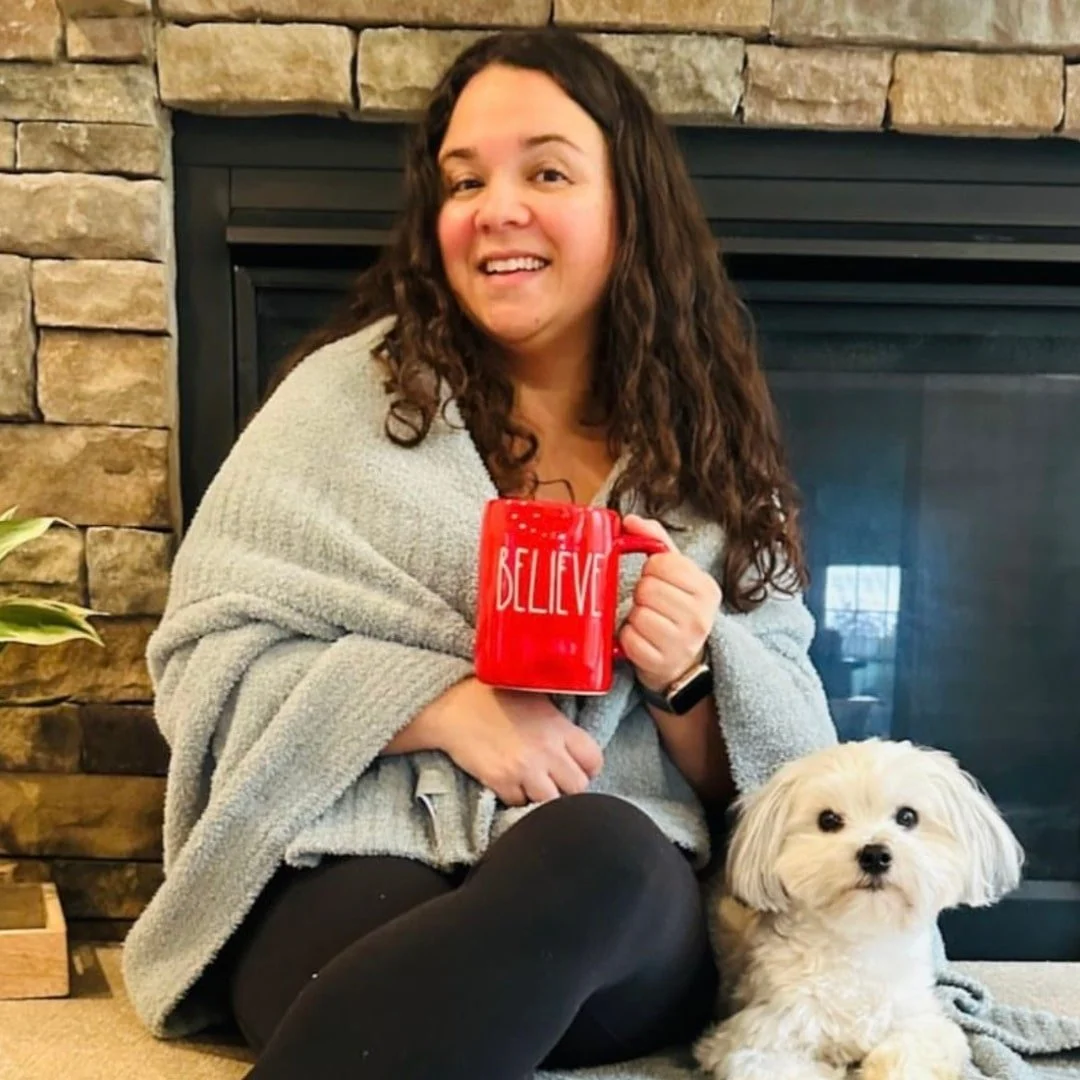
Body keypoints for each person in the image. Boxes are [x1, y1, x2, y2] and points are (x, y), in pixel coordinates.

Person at [122, 26, 837, 1080]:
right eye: (464, 182)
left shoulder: (714, 451)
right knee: (394, 955)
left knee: (598, 854)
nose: (496, 208)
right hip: (356, 850)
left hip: (614, 901)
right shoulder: (337, 401)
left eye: (545, 170)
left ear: (628, 205)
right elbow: (202, 667)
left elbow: (792, 782)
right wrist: (435, 705)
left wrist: (688, 675)